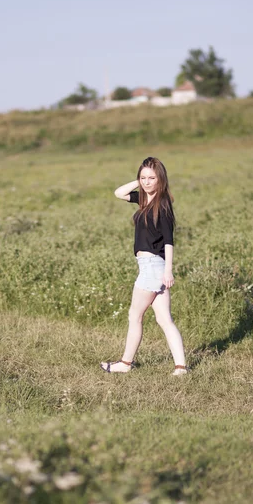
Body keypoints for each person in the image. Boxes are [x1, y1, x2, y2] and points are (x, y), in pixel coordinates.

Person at [100, 157, 188, 375]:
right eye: (143, 178)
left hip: (152, 267)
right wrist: (138, 183)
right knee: (164, 319)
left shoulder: (163, 204)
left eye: (152, 178)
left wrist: (168, 270)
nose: (147, 182)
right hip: (152, 267)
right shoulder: (143, 200)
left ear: (161, 179)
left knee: (134, 316)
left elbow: (169, 240)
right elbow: (118, 193)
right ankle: (181, 367)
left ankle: (125, 363)